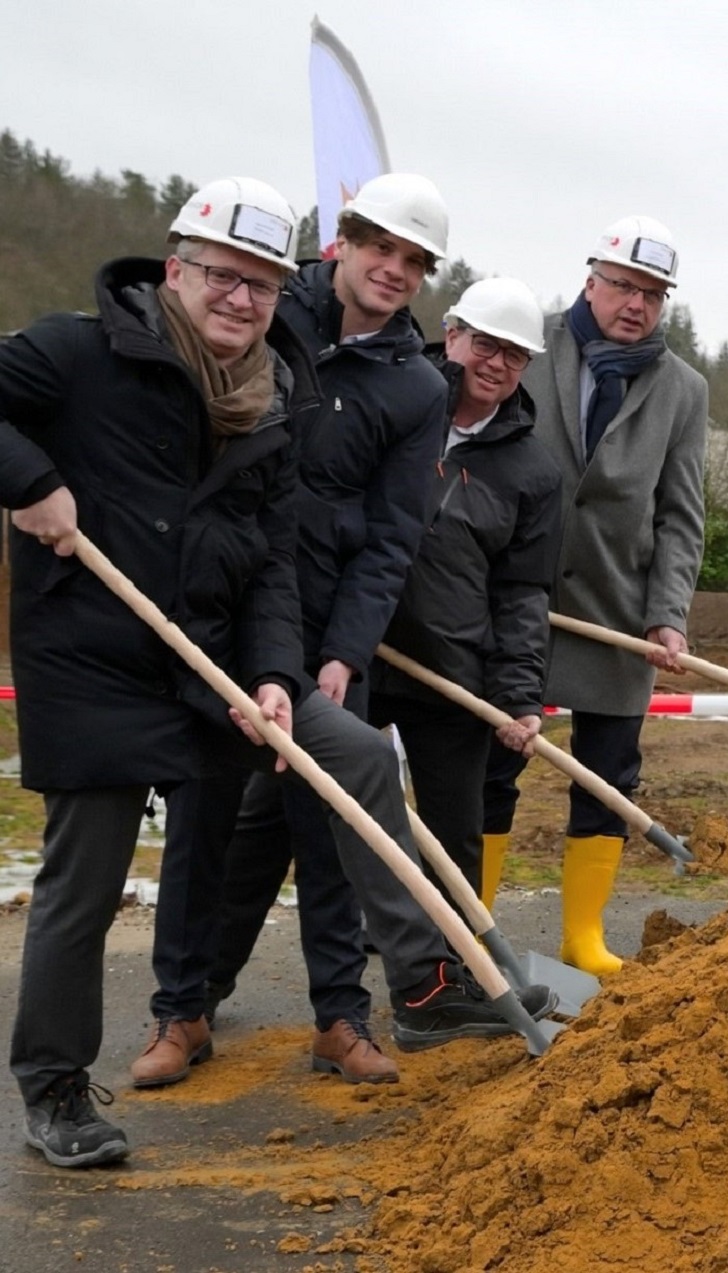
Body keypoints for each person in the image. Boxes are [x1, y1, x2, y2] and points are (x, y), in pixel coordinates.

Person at [0, 179, 550, 1168]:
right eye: (222, 276)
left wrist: (273, 676)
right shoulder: (82, 351)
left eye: (258, 283)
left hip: (212, 658)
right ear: (177, 268)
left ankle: (428, 983)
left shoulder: (271, 395)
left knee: (352, 757)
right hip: (95, 652)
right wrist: (30, 483)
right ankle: (54, 1086)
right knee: (86, 878)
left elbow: (271, 555)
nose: (241, 299)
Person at [143, 174, 486, 1089]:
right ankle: (182, 1013)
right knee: (204, 818)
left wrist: (345, 652)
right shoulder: (266, 312)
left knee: (333, 829)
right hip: (228, 611)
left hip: (333, 630)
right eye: (382, 247)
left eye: (416, 262)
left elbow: (393, 535)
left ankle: (342, 1016)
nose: (395, 270)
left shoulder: (417, 387)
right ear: (344, 240)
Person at [482, 215, 708, 976]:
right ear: (591, 279)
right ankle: (471, 933)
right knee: (489, 766)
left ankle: (583, 937)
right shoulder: (529, 347)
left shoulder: (683, 391)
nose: (635, 304)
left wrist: (667, 614)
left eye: (653, 293)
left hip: (618, 613)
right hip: (512, 598)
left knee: (608, 779)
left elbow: (680, 515)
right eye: (623, 286)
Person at [369, 278, 561, 905]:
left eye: (514, 355)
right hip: (352, 658)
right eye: (485, 343)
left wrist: (519, 694)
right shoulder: (389, 406)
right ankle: (197, 987)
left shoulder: (532, 471)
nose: (496, 364)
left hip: (451, 675)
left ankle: (455, 977)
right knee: (292, 816)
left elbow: (523, 593)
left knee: (455, 838)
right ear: (451, 334)